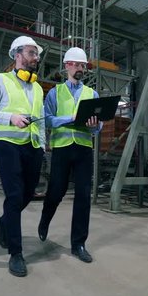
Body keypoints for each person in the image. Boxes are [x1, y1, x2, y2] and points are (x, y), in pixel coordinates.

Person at [0, 35, 46, 277]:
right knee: (15, 195)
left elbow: (42, 120)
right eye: (31, 53)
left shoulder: (38, 88)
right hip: (7, 143)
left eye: (37, 54)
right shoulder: (0, 80)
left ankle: (3, 221)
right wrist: (10, 118)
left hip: (32, 145)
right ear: (17, 55)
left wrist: (43, 146)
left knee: (28, 194)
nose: (36, 58)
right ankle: (16, 253)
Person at [39, 47, 102, 263]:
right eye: (76, 65)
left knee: (83, 196)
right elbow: (47, 119)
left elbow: (98, 126)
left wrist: (94, 126)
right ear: (67, 65)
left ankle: (78, 244)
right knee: (56, 190)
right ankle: (45, 220)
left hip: (84, 148)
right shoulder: (55, 93)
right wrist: (70, 119)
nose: (80, 69)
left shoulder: (92, 94)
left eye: (83, 66)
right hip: (62, 147)